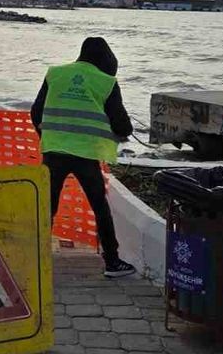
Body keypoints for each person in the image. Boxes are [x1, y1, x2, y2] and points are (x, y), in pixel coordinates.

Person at [31, 36, 137, 278]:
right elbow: (121, 125)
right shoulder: (106, 82)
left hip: (53, 152)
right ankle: (112, 262)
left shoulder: (55, 74)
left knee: (47, 207)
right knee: (99, 207)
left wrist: (47, 137)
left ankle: (37, 259)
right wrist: (123, 130)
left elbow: (36, 112)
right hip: (86, 155)